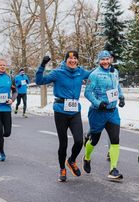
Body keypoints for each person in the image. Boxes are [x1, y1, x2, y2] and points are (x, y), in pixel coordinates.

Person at [35, 51, 90, 182]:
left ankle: (71, 160)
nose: (73, 60)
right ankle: (62, 169)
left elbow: (95, 73)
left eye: (75, 58)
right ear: (65, 60)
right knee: (63, 143)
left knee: (78, 141)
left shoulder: (80, 72)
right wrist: (42, 64)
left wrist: (107, 65)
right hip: (61, 111)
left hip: (75, 110)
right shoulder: (57, 73)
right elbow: (39, 81)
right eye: (70, 58)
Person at [83, 50, 125, 181]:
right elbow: (88, 92)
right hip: (98, 112)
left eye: (107, 59)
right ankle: (87, 157)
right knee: (94, 140)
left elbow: (117, 86)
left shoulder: (115, 72)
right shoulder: (95, 74)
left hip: (113, 112)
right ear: (99, 61)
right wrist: (98, 103)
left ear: (111, 59)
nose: (105, 62)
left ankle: (113, 169)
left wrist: (122, 97)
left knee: (115, 139)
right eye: (103, 59)